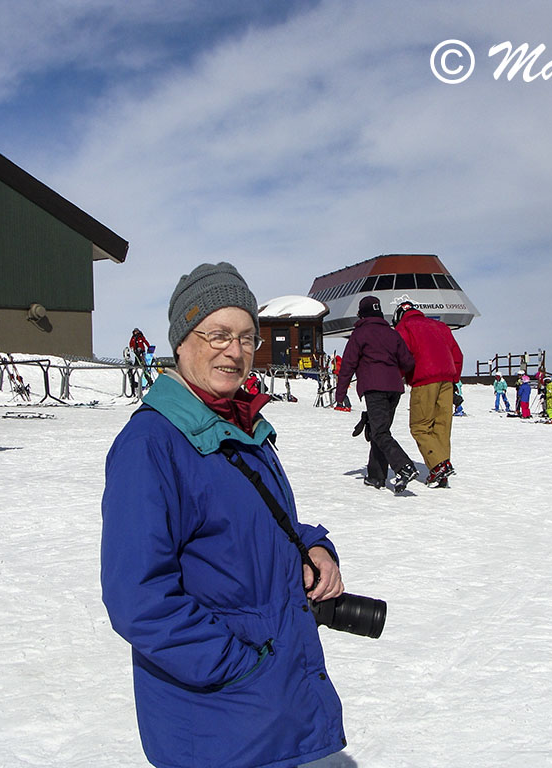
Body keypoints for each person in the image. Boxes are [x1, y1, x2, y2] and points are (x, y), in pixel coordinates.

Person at [101, 262, 347, 768]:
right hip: (215, 718)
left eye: (246, 338)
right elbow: (138, 598)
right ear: (182, 339)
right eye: (217, 334)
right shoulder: (152, 444)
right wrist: (237, 665)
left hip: (264, 710)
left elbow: (257, 524)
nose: (234, 352)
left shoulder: (242, 428)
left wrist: (313, 547)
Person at [335, 296, 417, 493]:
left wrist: (340, 393)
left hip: (374, 388)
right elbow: (408, 363)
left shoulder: (360, 334)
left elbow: (348, 364)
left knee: (379, 432)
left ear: (362, 313)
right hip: (394, 389)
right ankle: (376, 476)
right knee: (380, 431)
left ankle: (404, 466)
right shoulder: (392, 334)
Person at [393, 301, 463, 487]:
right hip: (447, 380)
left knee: (420, 427)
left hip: (424, 380)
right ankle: (441, 471)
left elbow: (402, 355)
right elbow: (457, 355)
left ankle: (439, 465)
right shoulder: (440, 326)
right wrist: (454, 381)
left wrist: (397, 377)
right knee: (442, 426)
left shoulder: (404, 327)